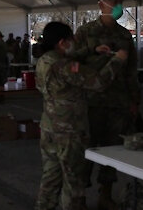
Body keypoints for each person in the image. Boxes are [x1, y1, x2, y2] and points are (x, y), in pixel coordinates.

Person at [35, 21, 127, 210]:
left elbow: (70, 56)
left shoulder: (45, 60)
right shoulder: (65, 66)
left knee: (50, 179)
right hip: (69, 131)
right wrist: (117, 60)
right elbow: (98, 82)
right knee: (73, 181)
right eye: (71, 40)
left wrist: (93, 50)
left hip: (49, 128)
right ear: (62, 42)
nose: (74, 44)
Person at [73, 0, 142, 209]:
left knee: (113, 150)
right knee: (87, 150)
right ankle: (80, 197)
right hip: (90, 102)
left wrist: (134, 101)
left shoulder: (124, 35)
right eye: (113, 0)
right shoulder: (85, 33)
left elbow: (131, 70)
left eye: (121, 1)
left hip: (118, 102)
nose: (118, 5)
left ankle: (105, 195)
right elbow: (73, 64)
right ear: (101, 3)